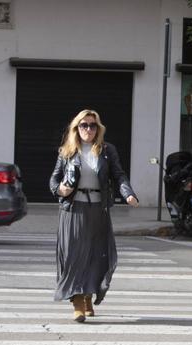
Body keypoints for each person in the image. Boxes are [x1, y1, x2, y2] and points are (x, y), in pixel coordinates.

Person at [49, 109, 138, 322]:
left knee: (96, 255)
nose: (88, 129)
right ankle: (77, 301)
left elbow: (119, 175)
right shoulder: (67, 151)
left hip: (98, 209)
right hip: (73, 210)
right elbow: (54, 179)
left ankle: (88, 295)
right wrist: (60, 190)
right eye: (84, 125)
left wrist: (128, 193)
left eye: (92, 125)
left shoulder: (107, 150)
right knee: (73, 256)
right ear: (76, 128)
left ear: (98, 129)